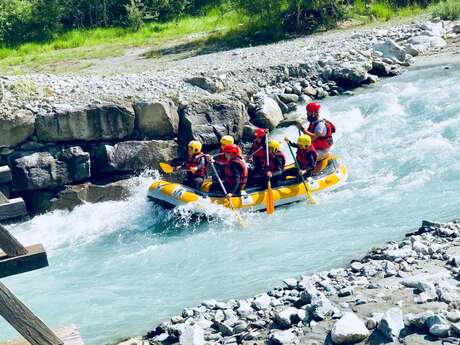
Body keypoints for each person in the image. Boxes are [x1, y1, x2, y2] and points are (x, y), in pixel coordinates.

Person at [296, 102, 335, 172]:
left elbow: (313, 137)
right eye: (307, 112)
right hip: (315, 148)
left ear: (315, 113)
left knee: (307, 157)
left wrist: (302, 129)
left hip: (323, 150)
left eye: (309, 112)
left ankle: (311, 171)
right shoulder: (313, 122)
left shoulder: (320, 125)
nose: (307, 114)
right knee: (300, 153)